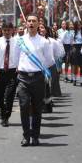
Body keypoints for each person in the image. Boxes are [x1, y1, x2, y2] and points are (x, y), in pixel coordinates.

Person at [15, 14, 52, 147]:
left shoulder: (44, 41)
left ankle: (35, 136)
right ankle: (26, 136)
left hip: (38, 78)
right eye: (29, 21)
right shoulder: (19, 40)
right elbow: (15, 58)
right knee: (24, 107)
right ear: (26, 24)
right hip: (23, 78)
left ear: (38, 24)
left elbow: (49, 60)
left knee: (37, 108)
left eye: (33, 21)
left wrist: (38, 68)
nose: (31, 23)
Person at [0, 22, 17, 127]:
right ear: (2, 30)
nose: (6, 32)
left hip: (13, 71)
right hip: (0, 71)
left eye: (8, 30)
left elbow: (20, 56)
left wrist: (19, 67)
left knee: (9, 96)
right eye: (4, 30)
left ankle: (6, 117)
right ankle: (3, 109)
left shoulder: (17, 42)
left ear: (12, 30)